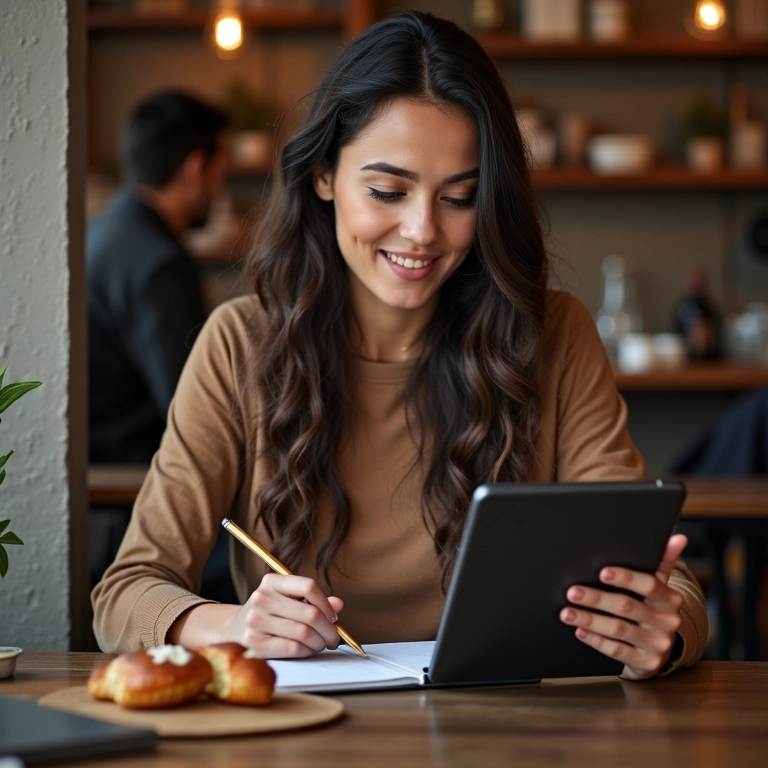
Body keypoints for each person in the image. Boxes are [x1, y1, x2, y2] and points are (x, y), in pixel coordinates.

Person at [93, 12, 707, 681]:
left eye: (460, 197)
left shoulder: (553, 336)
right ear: (324, 176)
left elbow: (664, 585)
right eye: (388, 190)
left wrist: (662, 631)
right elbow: (125, 593)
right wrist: (233, 624)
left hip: (510, 731)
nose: (421, 231)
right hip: (302, 734)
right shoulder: (241, 343)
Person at [87, 91, 233, 599]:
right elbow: (193, 406)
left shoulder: (102, 233)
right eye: (220, 170)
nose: (219, 186)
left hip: (105, 481)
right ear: (196, 168)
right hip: (134, 493)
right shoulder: (157, 261)